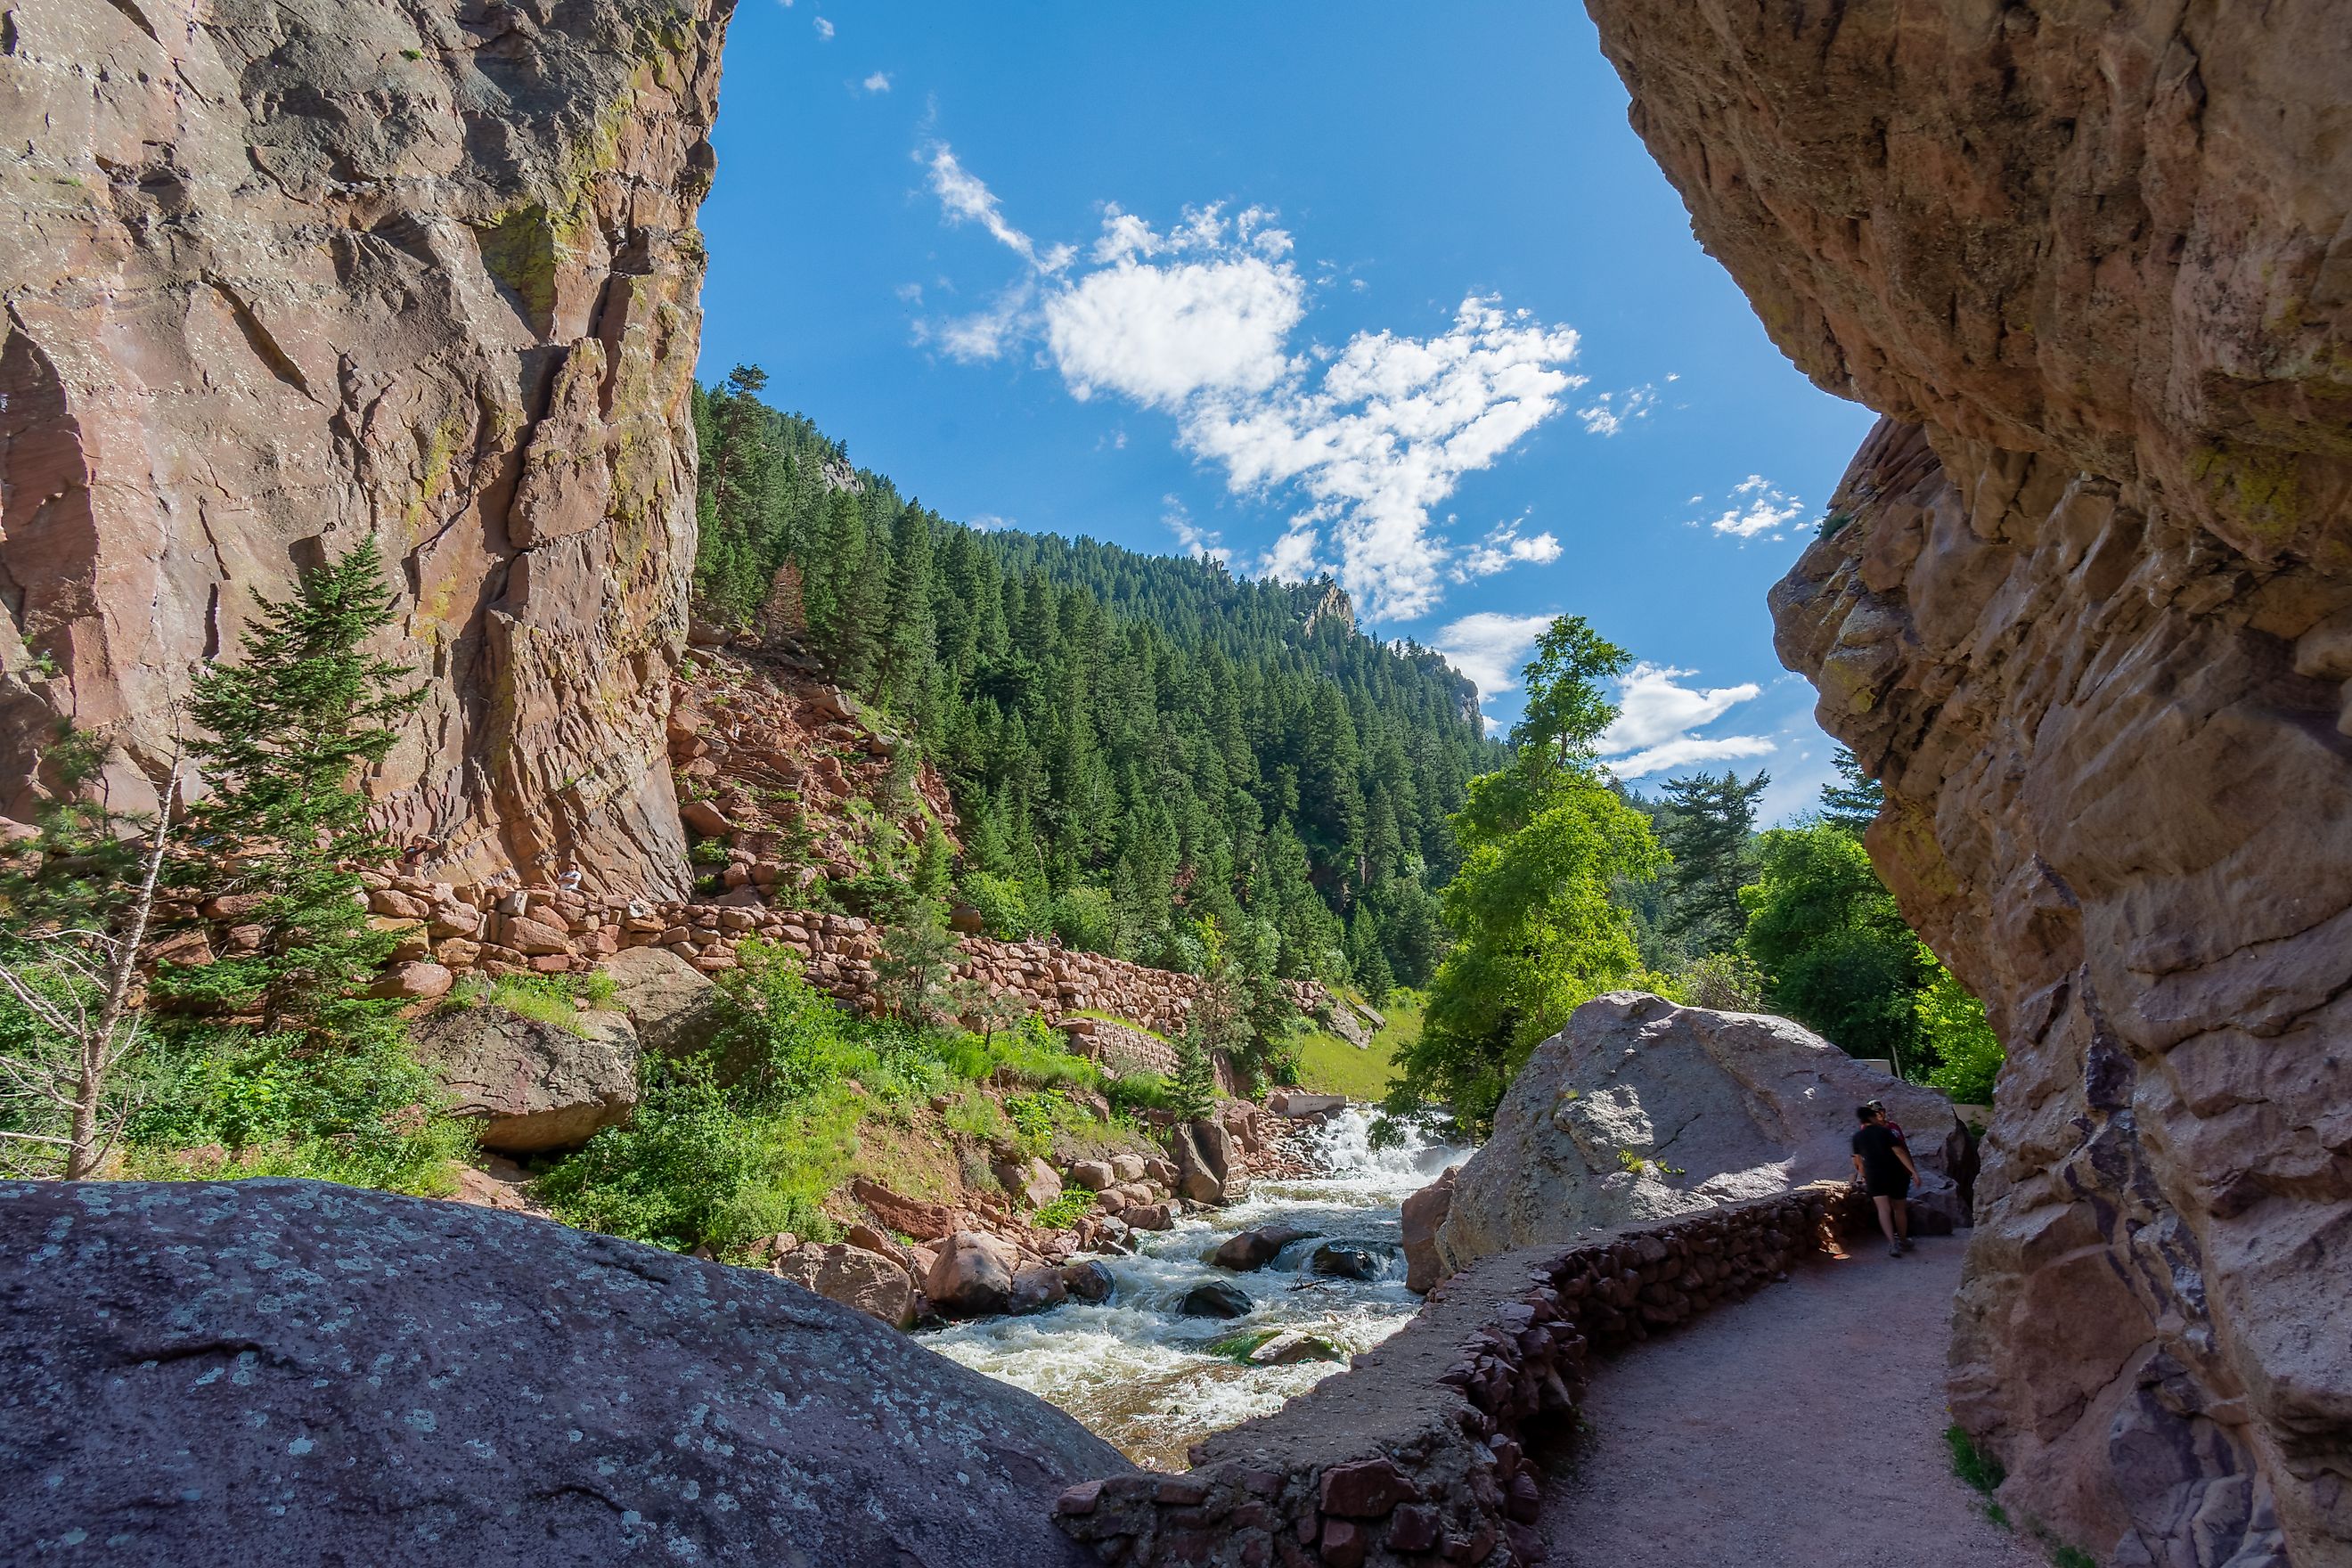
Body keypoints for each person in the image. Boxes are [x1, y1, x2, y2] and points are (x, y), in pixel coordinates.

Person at [1851, 1103, 1919, 1258]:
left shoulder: (1857, 1137)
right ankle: (1902, 1239)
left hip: (1874, 1176)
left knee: (1883, 1210)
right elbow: (1899, 1152)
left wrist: (1862, 1176)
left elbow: (1858, 1161)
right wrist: (1913, 1171)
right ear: (1871, 1117)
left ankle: (1892, 1244)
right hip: (1895, 1174)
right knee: (1899, 1208)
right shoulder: (1885, 1132)